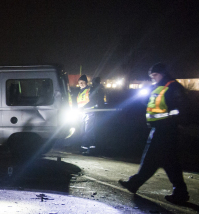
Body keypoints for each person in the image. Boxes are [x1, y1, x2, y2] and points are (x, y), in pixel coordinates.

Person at [118, 63, 190, 204]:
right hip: (158, 129)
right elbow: (150, 104)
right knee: (167, 162)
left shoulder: (173, 87)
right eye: (151, 76)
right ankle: (180, 193)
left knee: (154, 159)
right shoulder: (157, 87)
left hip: (167, 130)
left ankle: (136, 183)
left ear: (163, 74)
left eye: (155, 75)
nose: (153, 78)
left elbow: (182, 107)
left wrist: (176, 120)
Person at [81, 76, 105, 154]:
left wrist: (83, 107)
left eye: (94, 82)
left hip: (92, 112)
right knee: (87, 130)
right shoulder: (97, 90)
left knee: (89, 130)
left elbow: (93, 101)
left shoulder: (95, 90)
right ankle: (85, 147)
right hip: (92, 112)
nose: (93, 83)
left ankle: (91, 149)